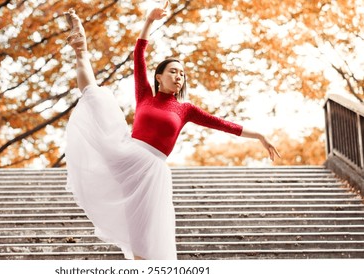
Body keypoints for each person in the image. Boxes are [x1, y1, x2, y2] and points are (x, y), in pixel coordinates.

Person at [63, 2, 280, 260]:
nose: (179, 77)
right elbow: (138, 55)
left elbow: (223, 124)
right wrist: (149, 21)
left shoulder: (185, 109)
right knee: (96, 98)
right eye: (174, 71)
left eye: (182, 74)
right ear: (159, 76)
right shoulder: (145, 95)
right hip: (128, 155)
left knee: (142, 235)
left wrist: (259, 136)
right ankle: (81, 49)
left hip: (153, 171)